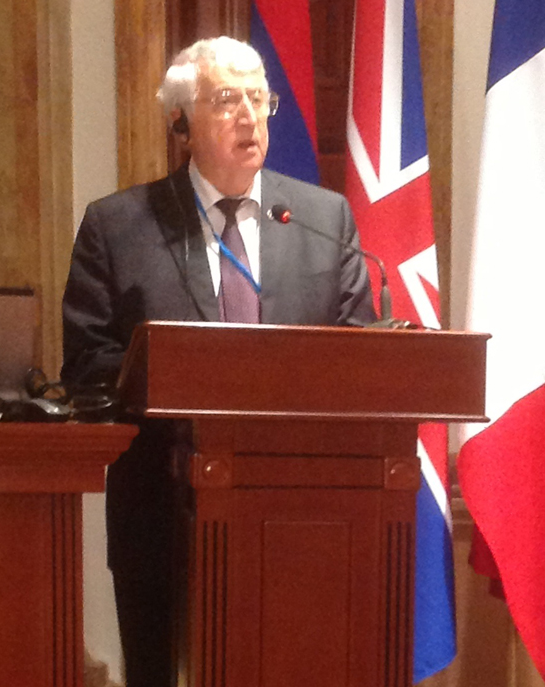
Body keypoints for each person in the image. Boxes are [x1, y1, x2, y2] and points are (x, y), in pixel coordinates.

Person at [61, 36, 376, 687]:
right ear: (180, 121)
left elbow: (359, 353)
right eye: (227, 99)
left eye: (259, 98)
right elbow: (88, 363)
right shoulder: (118, 227)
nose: (249, 116)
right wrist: (179, 378)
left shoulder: (323, 219)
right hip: (162, 513)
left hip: (306, 519)